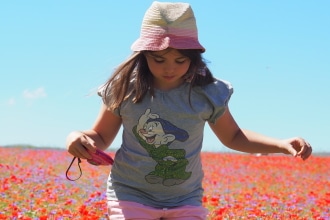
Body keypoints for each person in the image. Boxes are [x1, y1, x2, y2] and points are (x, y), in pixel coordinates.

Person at [66, 1, 312, 219]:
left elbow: (234, 136)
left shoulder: (207, 93)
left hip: (185, 199)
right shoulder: (125, 90)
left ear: (194, 58)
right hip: (130, 194)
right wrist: (77, 137)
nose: (169, 68)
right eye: (159, 59)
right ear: (143, 56)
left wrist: (280, 144)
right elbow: (101, 136)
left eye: (180, 60)